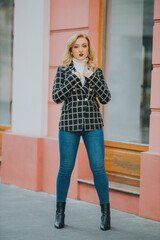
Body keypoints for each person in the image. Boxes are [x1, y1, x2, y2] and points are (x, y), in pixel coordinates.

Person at [52, 33, 111, 231]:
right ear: (71, 50)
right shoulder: (62, 70)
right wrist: (74, 80)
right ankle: (60, 212)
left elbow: (105, 98)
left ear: (88, 48)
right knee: (66, 168)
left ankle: (105, 213)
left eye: (84, 46)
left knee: (98, 167)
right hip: (69, 124)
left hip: (93, 124)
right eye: (76, 46)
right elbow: (56, 97)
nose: (80, 49)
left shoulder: (96, 71)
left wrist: (90, 77)